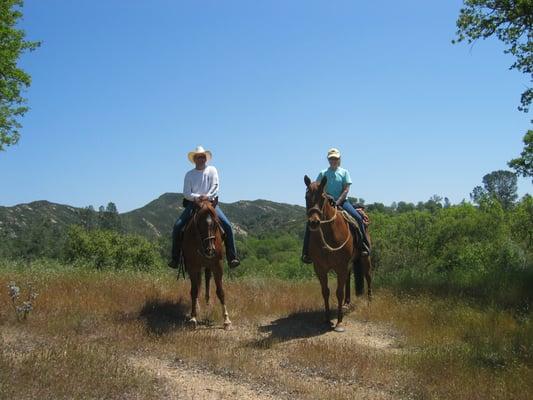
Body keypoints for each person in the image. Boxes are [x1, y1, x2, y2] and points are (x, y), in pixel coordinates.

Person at [169, 146, 240, 269]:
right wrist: (197, 198)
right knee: (177, 226)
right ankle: (175, 258)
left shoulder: (212, 170)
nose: (201, 159)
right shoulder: (189, 174)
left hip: (210, 203)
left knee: (227, 226)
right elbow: (186, 193)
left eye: (203, 157)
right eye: (198, 157)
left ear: (205, 158)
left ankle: (232, 257)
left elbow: (215, 187)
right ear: (194, 159)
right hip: (194, 204)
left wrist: (206, 197)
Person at [301, 147, 370, 264]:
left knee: (358, 218)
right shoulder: (323, 173)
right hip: (326, 203)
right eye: (331, 158)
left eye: (335, 158)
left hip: (343, 202)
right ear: (328, 159)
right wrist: (327, 197)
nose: (333, 160)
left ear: (339, 159)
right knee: (310, 223)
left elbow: (346, 189)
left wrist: (337, 202)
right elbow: (318, 188)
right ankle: (306, 252)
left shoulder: (344, 172)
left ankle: (363, 245)